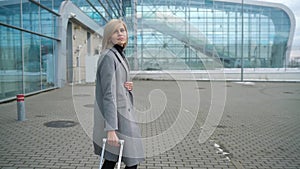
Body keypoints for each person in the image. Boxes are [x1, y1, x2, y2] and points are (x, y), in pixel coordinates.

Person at [93, 19, 144, 169]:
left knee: (112, 160)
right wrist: (110, 129)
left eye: (123, 30)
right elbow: (108, 94)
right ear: (109, 36)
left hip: (122, 116)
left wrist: (126, 85)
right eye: (116, 31)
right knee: (129, 161)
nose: (121, 34)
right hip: (117, 119)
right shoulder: (109, 57)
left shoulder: (118, 55)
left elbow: (115, 85)